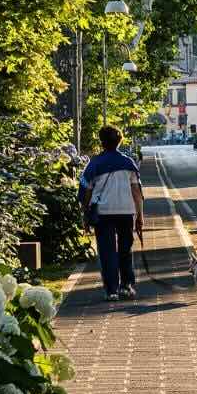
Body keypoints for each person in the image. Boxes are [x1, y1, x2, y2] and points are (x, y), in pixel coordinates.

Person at [80, 126, 144, 301]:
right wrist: (140, 216)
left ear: (101, 142)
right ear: (120, 141)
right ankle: (127, 285)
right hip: (126, 211)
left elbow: (86, 189)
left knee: (107, 252)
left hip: (103, 213)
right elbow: (137, 191)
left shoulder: (94, 164)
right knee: (125, 250)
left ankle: (111, 290)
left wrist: (85, 212)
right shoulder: (129, 163)